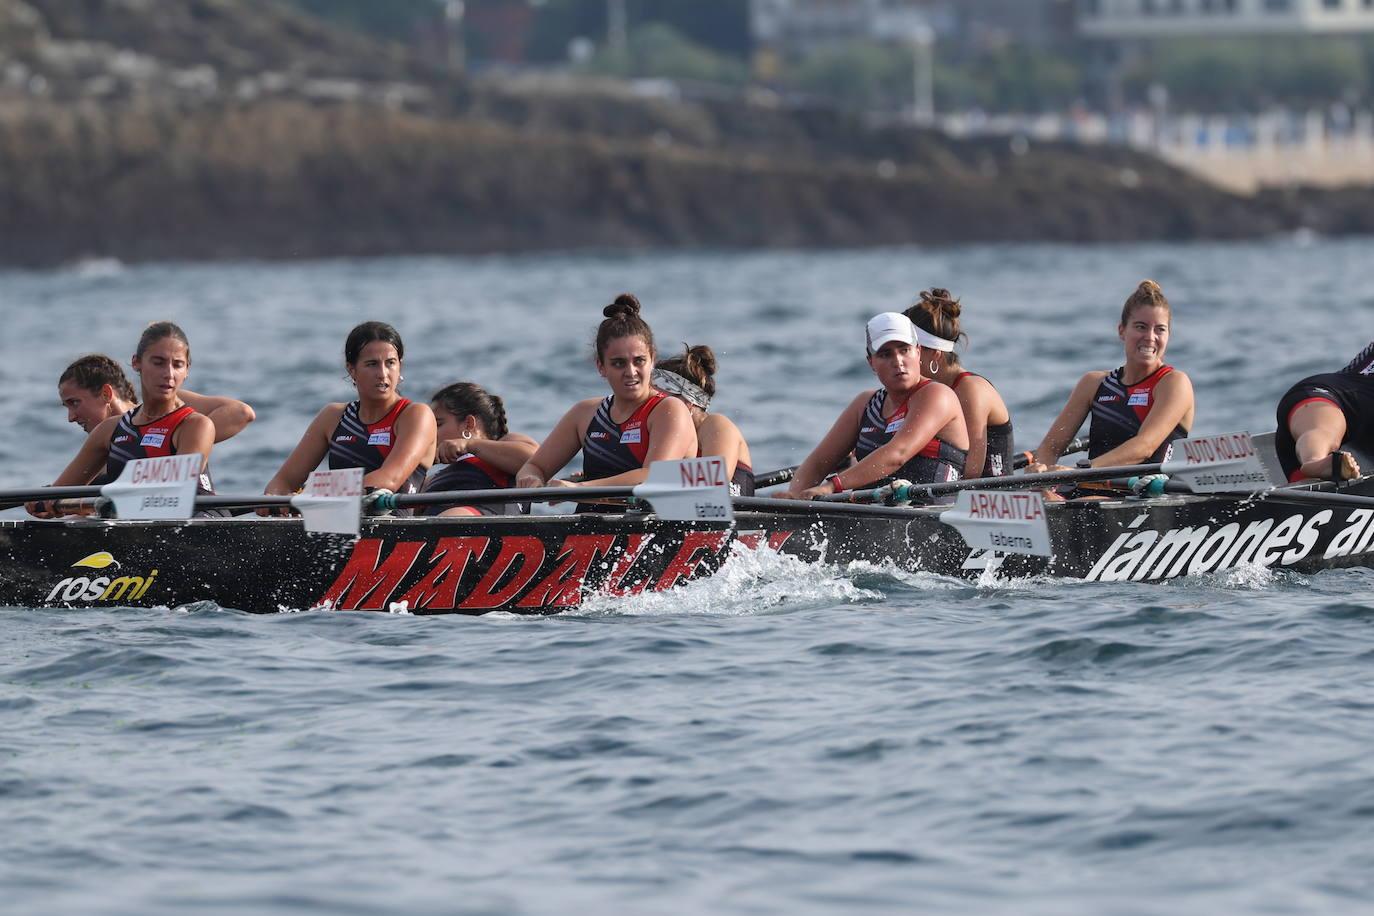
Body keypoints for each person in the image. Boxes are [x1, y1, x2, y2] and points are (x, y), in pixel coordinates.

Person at [516, 294, 697, 507]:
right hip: (590, 530)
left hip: (660, 528)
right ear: (601, 367)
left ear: (653, 359)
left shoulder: (669, 410)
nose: (631, 372)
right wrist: (532, 479)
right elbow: (534, 466)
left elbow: (654, 476)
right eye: (619, 363)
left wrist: (579, 489)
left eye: (639, 361)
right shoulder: (584, 414)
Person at [30, 323, 217, 517]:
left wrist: (86, 506)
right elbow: (57, 493)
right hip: (138, 529)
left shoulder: (195, 425)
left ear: (187, 370)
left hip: (199, 527)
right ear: (136, 363)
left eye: (177, 365)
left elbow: (173, 496)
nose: (168, 374)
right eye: (158, 362)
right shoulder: (108, 430)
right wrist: (43, 502)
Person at [783, 312, 968, 501]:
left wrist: (832, 486)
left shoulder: (937, 395)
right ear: (871, 362)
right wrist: (794, 496)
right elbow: (817, 463)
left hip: (934, 515)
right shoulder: (864, 404)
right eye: (885, 354)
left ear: (918, 351)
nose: (897, 361)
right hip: (876, 517)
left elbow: (897, 454)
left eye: (904, 350)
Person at [264, 322, 436, 511]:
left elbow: (388, 480)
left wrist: (313, 495)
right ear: (351, 370)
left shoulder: (416, 415)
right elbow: (282, 482)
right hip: (335, 524)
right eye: (372, 364)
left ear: (400, 367)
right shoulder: (332, 417)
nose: (383, 374)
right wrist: (273, 501)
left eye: (390, 363)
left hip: (394, 529)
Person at [1031, 280, 1194, 472]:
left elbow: (1144, 447)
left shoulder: (1173, 383)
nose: (1150, 337)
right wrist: (1041, 477)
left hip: (1144, 494)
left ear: (1168, 336)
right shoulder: (1092, 384)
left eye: (1160, 329)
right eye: (1141, 327)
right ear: (1121, 331)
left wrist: (1081, 471)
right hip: (1089, 488)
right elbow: (1050, 448)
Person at [904, 288, 1014, 479]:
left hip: (990, 499)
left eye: (907, 349)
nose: (902, 359)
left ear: (934, 354)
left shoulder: (971, 390)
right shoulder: (926, 390)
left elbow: (971, 473)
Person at [58, 353, 255, 442]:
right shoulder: (99, 446)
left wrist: (172, 445)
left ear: (106, 394)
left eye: (75, 403)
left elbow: (241, 413)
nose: (71, 417)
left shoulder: (170, 405)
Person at [421, 382, 539, 516]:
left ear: (469, 423)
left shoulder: (507, 442)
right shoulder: (431, 480)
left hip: (487, 519)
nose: (430, 432)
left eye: (438, 424)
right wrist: (418, 469)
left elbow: (538, 462)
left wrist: (469, 445)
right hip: (437, 526)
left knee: (450, 518)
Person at [653, 344, 755, 496]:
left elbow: (714, 479)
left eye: (657, 400)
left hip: (733, 516)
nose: (650, 408)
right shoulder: (665, 439)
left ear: (688, 402)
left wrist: (645, 477)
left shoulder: (715, 425)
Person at [1273, 341, 1374, 482]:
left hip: (1307, 401)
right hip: (1328, 401)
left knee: (1320, 435)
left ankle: (1317, 462)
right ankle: (1317, 462)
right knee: (1324, 432)